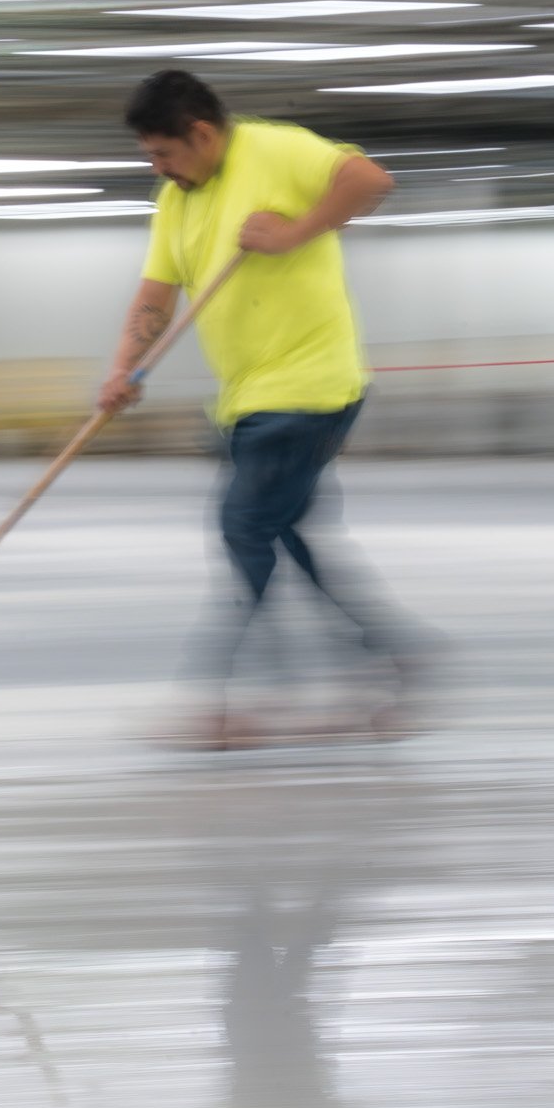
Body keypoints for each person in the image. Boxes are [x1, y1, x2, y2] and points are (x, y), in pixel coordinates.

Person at [99, 69, 430, 748]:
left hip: (310, 386)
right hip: (245, 399)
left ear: (201, 133)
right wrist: (122, 370)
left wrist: (295, 232)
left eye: (165, 153)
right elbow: (155, 300)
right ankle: (393, 657)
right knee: (284, 532)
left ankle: (225, 696)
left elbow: (371, 181)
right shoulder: (174, 201)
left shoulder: (275, 149)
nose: (158, 168)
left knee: (244, 527)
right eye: (151, 158)